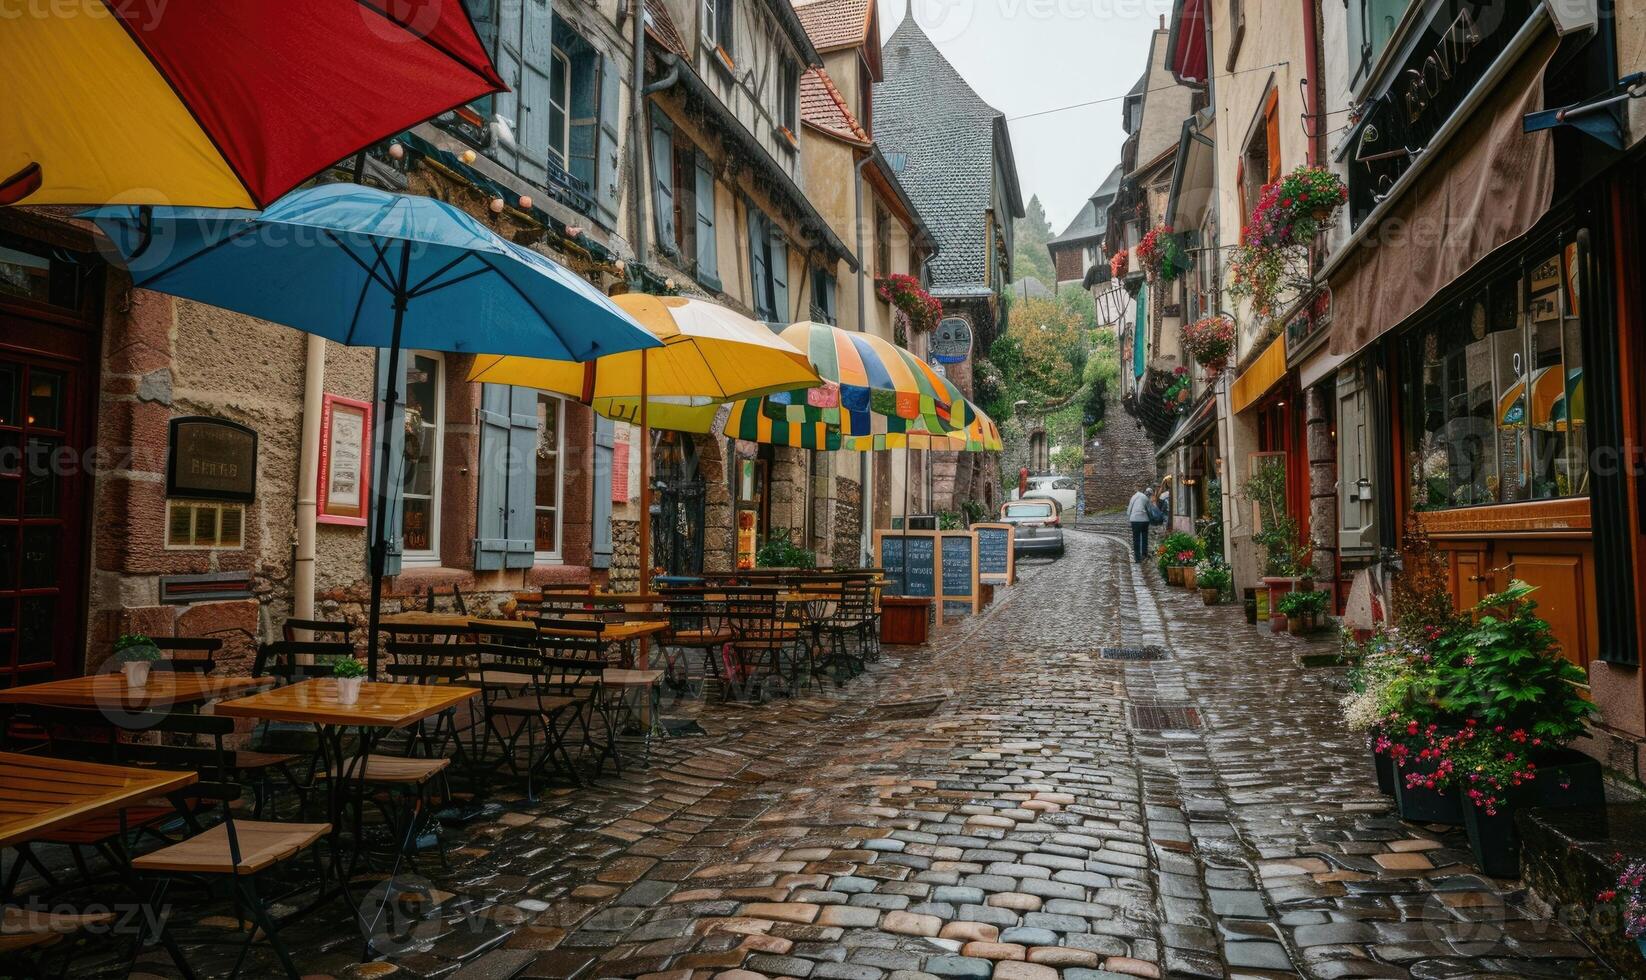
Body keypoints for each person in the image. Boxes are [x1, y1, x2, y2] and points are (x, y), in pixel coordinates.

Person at [1127, 485, 1153, 562]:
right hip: (1145, 520)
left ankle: (1137, 558)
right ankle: (1144, 554)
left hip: (1135, 520)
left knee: (1136, 539)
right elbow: (1149, 509)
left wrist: (1130, 518)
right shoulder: (1145, 498)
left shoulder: (1133, 497)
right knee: (1144, 537)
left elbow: (1129, 511)